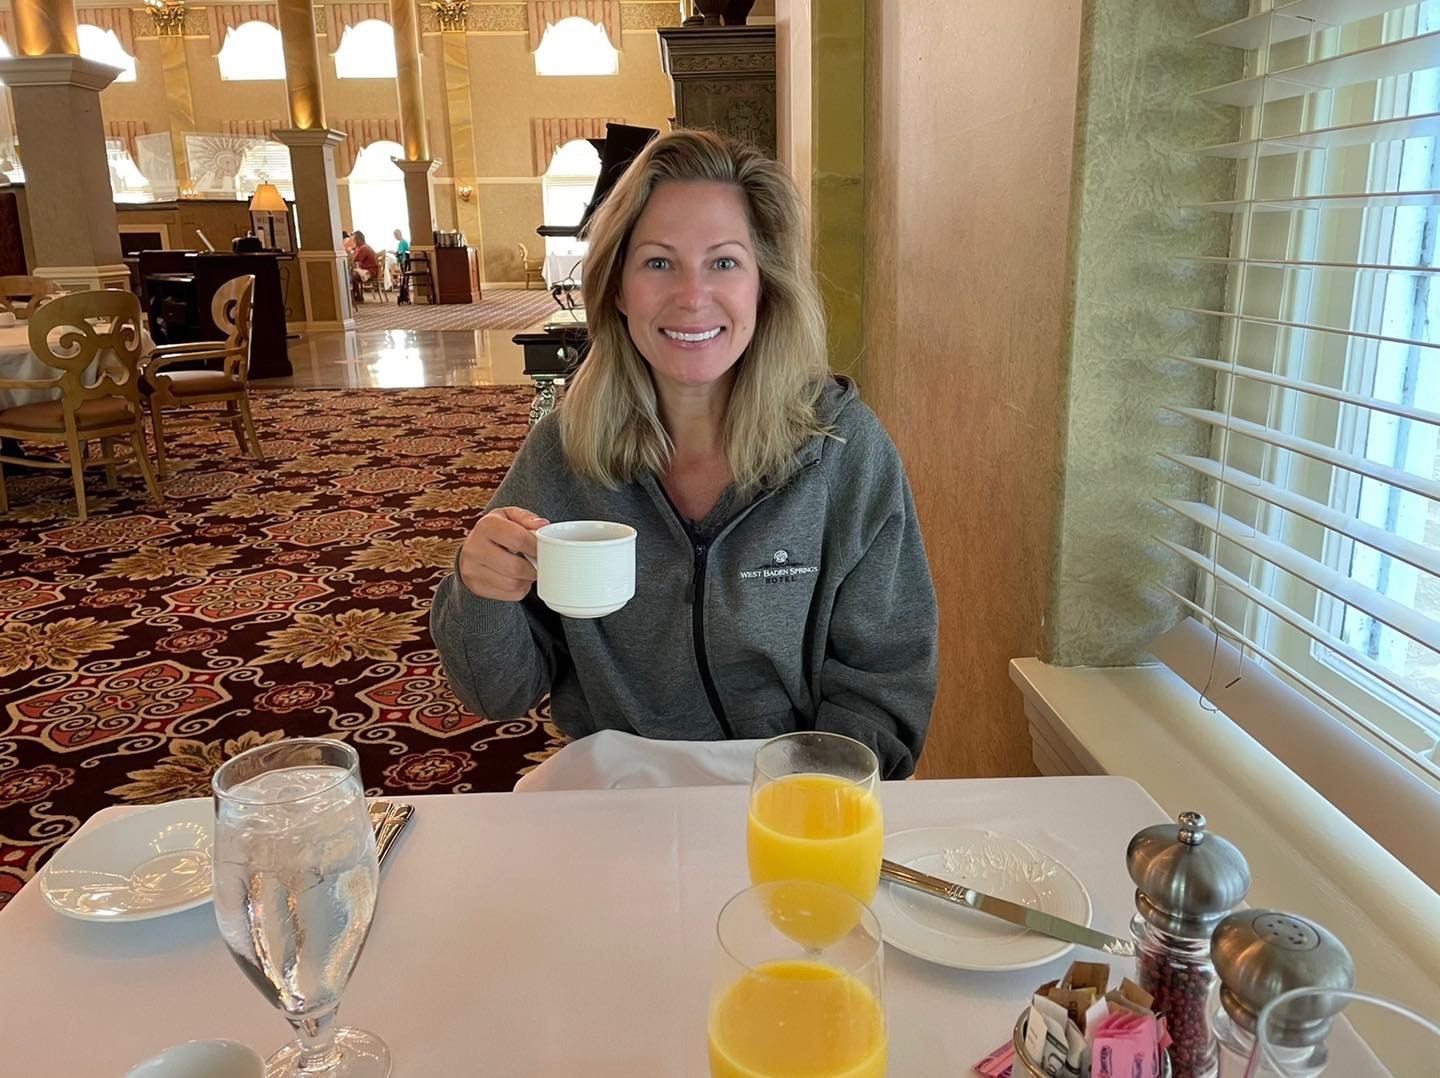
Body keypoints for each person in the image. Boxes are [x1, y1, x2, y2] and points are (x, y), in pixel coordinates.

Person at [430, 129, 938, 779]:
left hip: (795, 801)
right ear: (616, 287)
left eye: (724, 262)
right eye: (658, 263)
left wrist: (803, 804)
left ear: (765, 285)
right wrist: (480, 588)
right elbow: (496, 693)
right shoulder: (566, 451)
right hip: (622, 803)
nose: (692, 297)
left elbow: (886, 683)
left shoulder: (843, 453)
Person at [350, 230, 380, 303]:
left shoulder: (364, 248)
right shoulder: (363, 247)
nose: (353, 241)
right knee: (352, 274)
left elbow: (355, 259)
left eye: (354, 240)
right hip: (367, 269)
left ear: (359, 239)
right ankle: (356, 295)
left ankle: (358, 296)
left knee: (353, 275)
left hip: (370, 270)